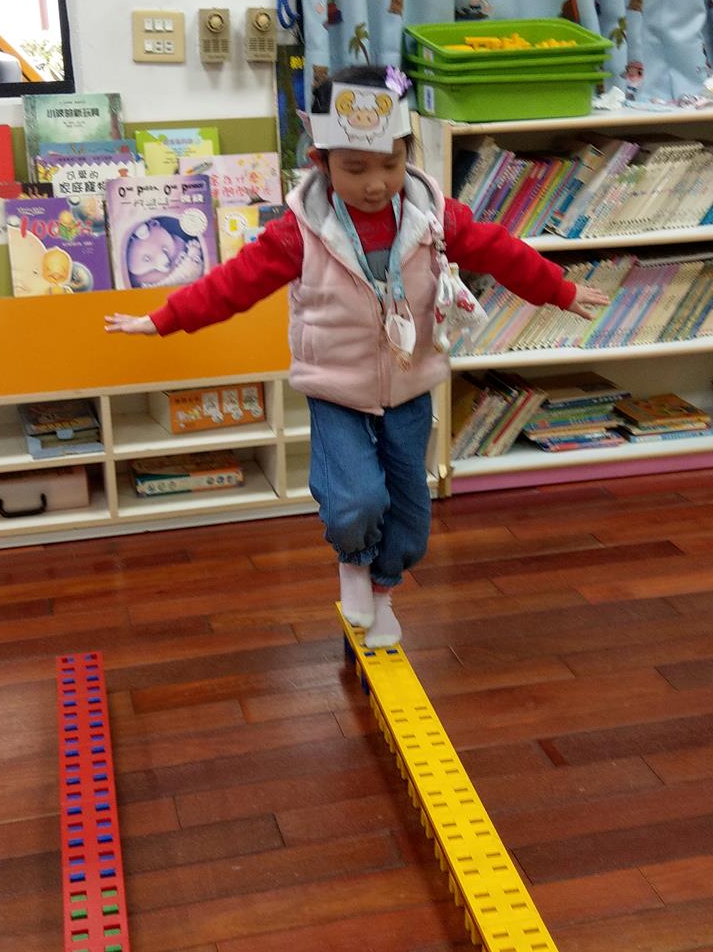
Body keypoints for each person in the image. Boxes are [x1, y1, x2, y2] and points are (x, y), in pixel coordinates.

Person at [105, 64, 609, 649]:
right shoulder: (299, 231)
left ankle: (384, 590)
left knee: (410, 511)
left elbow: (500, 250)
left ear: (407, 153)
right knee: (356, 501)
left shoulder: (432, 216)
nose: (376, 184)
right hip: (336, 386)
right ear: (320, 162)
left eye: (391, 165)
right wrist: (163, 318)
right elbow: (233, 284)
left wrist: (559, 289)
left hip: (409, 382)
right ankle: (353, 563)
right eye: (355, 168)